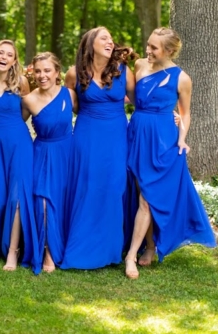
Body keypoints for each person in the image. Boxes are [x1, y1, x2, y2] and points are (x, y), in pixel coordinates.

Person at [123, 28, 216, 279]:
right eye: (148, 45)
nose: (148, 50)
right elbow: (130, 98)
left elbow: (185, 113)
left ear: (170, 51)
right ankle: (151, 246)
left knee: (147, 197)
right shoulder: (140, 66)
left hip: (163, 140)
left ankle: (131, 255)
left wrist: (182, 139)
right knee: (143, 192)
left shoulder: (182, 78)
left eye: (154, 47)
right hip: (137, 134)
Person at [61, 27, 136, 270]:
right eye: (104, 38)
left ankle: (111, 249)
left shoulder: (125, 72)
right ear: (90, 43)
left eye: (111, 39)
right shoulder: (74, 74)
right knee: (87, 186)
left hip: (116, 137)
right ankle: (82, 246)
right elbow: (67, 107)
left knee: (114, 186)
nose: (110, 41)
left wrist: (170, 117)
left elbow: (142, 104)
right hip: (86, 136)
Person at [0, 39, 38, 272]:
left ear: (14, 60)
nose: (4, 57)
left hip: (19, 143)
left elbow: (25, 113)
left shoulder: (21, 82)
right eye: (0, 53)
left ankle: (13, 252)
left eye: (9, 54)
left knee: (17, 199)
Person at [22, 52, 77, 274]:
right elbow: (13, 125)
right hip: (42, 154)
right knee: (43, 202)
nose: (42, 75)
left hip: (67, 153)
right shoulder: (29, 99)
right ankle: (47, 251)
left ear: (57, 73)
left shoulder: (70, 95)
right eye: (38, 71)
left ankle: (62, 245)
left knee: (64, 201)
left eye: (47, 70)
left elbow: (95, 112)